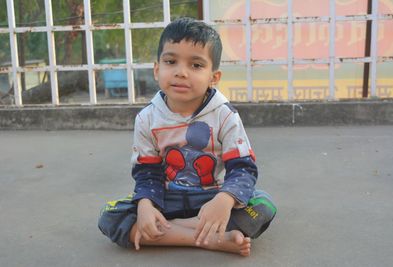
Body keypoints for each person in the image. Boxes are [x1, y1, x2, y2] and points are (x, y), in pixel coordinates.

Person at [98, 17, 276, 257]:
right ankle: (208, 238)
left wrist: (225, 200)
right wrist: (146, 205)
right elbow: (147, 173)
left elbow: (243, 169)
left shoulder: (225, 116)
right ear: (157, 68)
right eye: (171, 61)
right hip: (166, 198)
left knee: (263, 205)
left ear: (214, 77)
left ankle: (173, 232)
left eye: (196, 65)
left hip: (211, 199)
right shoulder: (147, 118)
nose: (181, 72)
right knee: (111, 216)